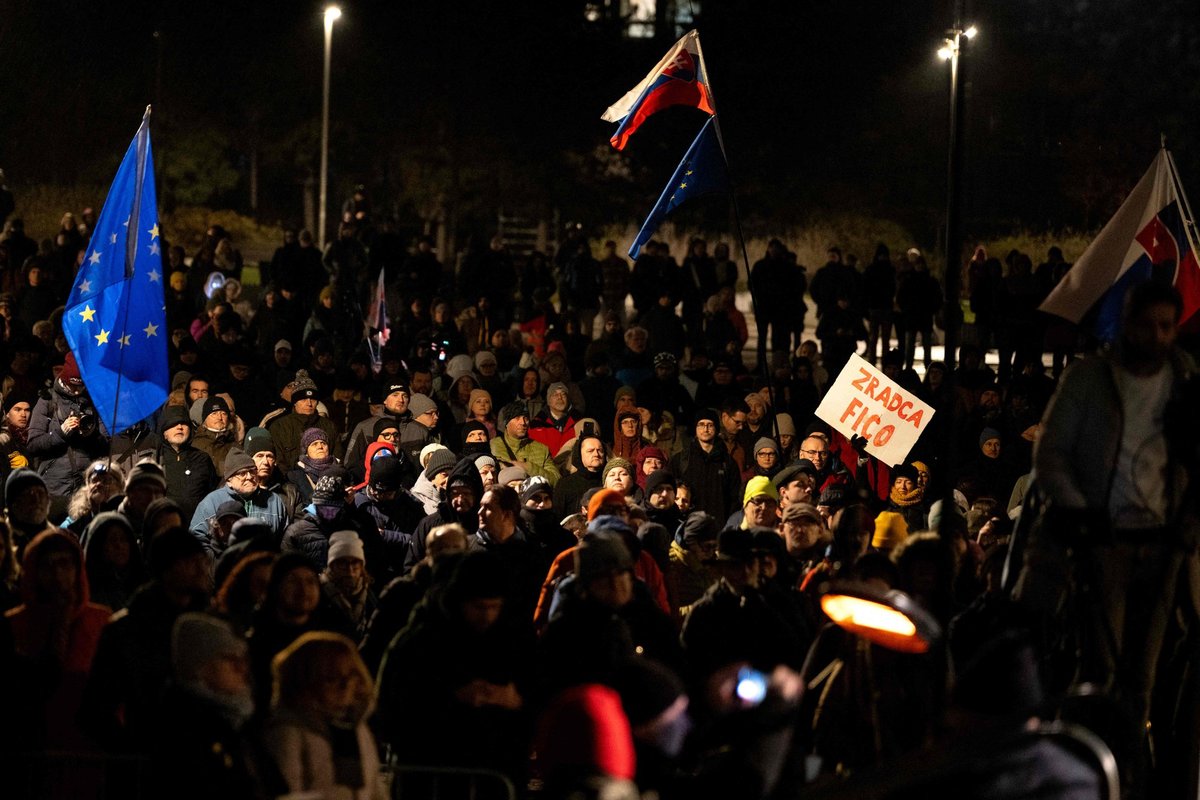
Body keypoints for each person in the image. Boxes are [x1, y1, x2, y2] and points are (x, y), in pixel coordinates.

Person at [1031, 281, 1199, 793]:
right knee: (1101, 666)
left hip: (1162, 544)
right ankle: (1090, 773)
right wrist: (1083, 515)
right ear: (1126, 324)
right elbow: (1052, 454)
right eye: (1146, 324)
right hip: (1104, 542)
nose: (1156, 336)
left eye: (1166, 326)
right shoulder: (1089, 380)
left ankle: (1129, 775)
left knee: (1141, 677)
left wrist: (1187, 521)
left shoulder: (1185, 381)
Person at [0, 531, 113, 754]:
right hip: (34, 746)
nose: (57, 574)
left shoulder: (101, 621)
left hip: (89, 746)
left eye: (65, 564)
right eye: (48, 566)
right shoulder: (13, 624)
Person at [261, 631, 384, 799]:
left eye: (351, 675)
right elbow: (287, 792)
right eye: (332, 678)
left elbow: (375, 789)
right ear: (306, 679)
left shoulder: (356, 728)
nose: (345, 685)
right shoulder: (289, 731)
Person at [149, 613, 257, 800]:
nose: (242, 668)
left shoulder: (238, 720)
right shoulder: (184, 724)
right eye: (231, 658)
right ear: (200, 665)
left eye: (244, 659)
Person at [668, 409, 741, 524]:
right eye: (701, 425)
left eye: (710, 425)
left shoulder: (728, 462)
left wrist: (729, 525)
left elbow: (735, 498)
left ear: (716, 428)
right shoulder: (680, 460)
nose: (705, 429)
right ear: (695, 429)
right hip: (688, 526)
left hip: (719, 527)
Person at [491, 400, 561, 484]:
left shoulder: (542, 449)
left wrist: (529, 467)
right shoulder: (494, 445)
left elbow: (556, 480)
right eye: (517, 418)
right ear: (506, 423)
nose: (523, 423)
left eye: (526, 418)